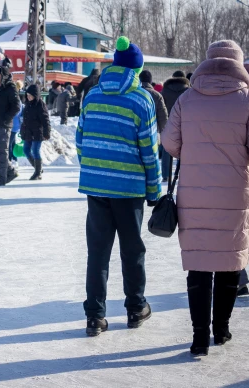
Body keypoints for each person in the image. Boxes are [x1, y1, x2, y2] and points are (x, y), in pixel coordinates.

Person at [161, 40, 249, 357]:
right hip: (235, 196)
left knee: (200, 266)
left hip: (194, 192)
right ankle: (222, 329)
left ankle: (199, 337)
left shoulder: (187, 99)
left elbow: (170, 144)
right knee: (230, 265)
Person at [76, 36, 161, 337]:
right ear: (136, 70)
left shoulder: (93, 95)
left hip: (96, 188)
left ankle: (94, 317)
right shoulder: (141, 99)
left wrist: (93, 168)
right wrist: (154, 189)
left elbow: (80, 139)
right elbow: (149, 150)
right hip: (129, 189)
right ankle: (136, 308)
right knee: (131, 249)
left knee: (97, 252)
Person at [161, 70, 190, 182]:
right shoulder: (188, 91)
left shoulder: (165, 91)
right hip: (184, 123)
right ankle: (181, 174)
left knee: (166, 150)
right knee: (183, 149)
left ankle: (165, 174)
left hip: (168, 123)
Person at [21, 84, 51, 180]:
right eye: (27, 95)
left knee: (35, 151)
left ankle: (37, 172)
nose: (28, 97)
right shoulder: (27, 104)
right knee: (26, 150)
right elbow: (25, 120)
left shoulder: (40, 105)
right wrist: (23, 131)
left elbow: (46, 120)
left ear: (35, 95)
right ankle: (38, 168)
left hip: (38, 132)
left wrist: (47, 132)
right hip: (28, 132)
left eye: (30, 95)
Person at [139, 70, 168, 135]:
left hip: (135, 134)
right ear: (150, 81)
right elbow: (163, 118)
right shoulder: (157, 95)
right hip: (153, 133)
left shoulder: (134, 93)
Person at [9, 80, 24, 163]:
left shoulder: (16, 99)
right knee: (12, 143)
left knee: (9, 144)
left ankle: (11, 159)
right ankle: (14, 159)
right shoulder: (18, 98)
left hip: (13, 124)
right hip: (15, 124)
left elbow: (16, 112)